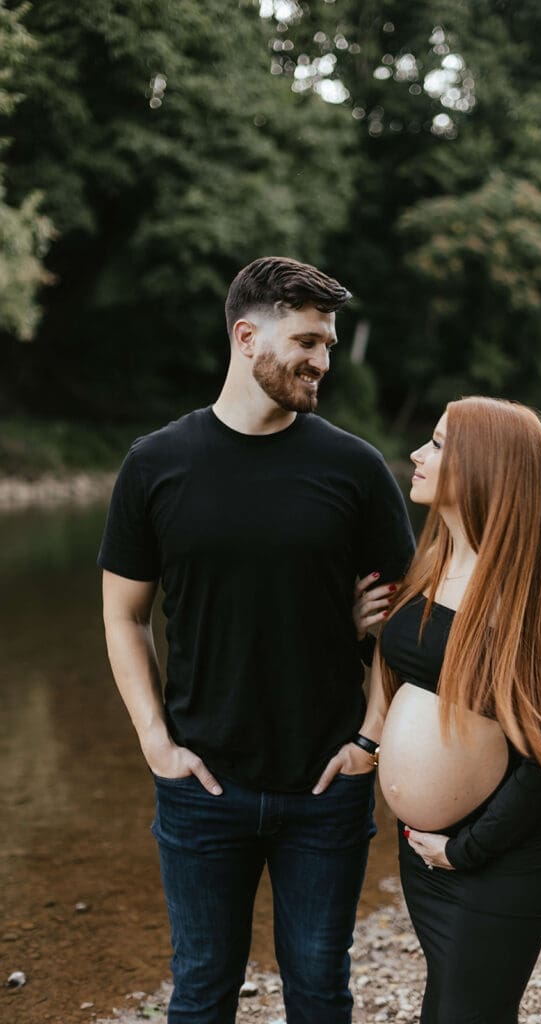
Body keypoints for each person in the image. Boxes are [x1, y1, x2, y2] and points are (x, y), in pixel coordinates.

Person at [97, 256, 414, 1024]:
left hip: (326, 785)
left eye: (329, 344)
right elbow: (123, 615)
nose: (322, 361)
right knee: (202, 990)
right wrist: (154, 743)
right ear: (247, 337)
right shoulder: (156, 464)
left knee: (318, 990)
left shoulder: (352, 467)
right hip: (201, 784)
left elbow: (410, 623)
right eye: (308, 341)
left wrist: (368, 743)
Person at [363, 396, 541, 1024]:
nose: (418, 455)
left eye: (439, 444)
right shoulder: (436, 561)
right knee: (446, 1008)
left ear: (485, 467)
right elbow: (421, 671)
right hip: (429, 855)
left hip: (497, 860)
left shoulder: (517, 598)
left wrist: (468, 849)